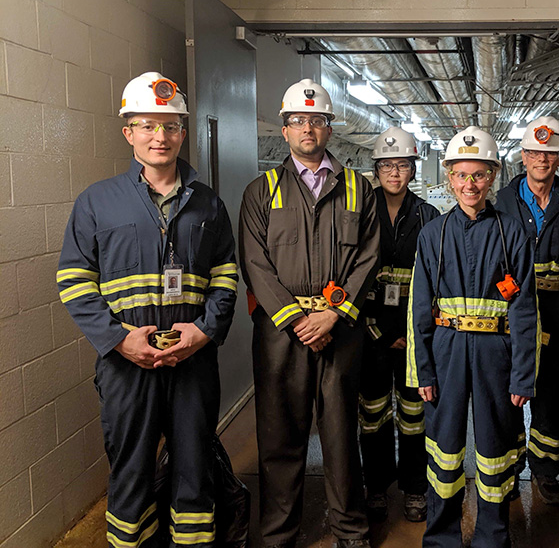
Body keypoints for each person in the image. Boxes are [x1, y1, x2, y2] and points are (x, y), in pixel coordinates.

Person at [57, 71, 239, 547]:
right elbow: (73, 280)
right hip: (126, 364)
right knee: (131, 471)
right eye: (147, 125)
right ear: (128, 133)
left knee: (194, 467)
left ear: (184, 131)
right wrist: (118, 338)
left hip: (193, 361)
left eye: (171, 125)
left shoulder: (208, 204)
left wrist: (204, 332)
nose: (161, 136)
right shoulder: (96, 202)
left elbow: (225, 275)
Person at [239, 79, 380, 548]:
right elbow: (254, 262)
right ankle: (279, 533)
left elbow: (368, 257)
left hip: (339, 328)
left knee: (341, 434)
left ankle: (351, 529)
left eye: (316, 120)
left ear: (329, 128)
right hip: (283, 332)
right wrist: (298, 320)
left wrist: (334, 315)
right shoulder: (262, 192)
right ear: (284, 130)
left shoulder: (360, 189)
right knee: (280, 436)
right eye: (297, 121)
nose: (307, 129)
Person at [408, 126, 539, 548]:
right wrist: (421, 371)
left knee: (495, 448)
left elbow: (524, 309)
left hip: (494, 354)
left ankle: (492, 537)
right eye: (461, 175)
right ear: (449, 177)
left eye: (479, 175)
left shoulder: (512, 233)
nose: (470, 185)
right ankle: (442, 537)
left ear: (493, 177)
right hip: (445, 352)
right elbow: (419, 309)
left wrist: (523, 376)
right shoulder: (432, 234)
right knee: (443, 449)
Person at [495, 116, 559, 505]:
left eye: (550, 153)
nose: (542, 159)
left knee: (551, 392)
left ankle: (546, 470)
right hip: (513, 310)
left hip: (557, 310)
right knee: (509, 390)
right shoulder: (503, 200)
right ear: (523, 155)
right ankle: (510, 468)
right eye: (535, 152)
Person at [359, 127, 439, 523]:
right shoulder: (357, 210)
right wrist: (376, 330)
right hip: (368, 331)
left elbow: (435, 283)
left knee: (413, 415)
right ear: (377, 168)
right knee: (372, 414)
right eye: (387, 165)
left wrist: (413, 333)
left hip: (413, 334)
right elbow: (348, 276)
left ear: (412, 168)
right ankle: (375, 486)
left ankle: (414, 488)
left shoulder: (428, 216)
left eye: (402, 164)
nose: (395, 172)